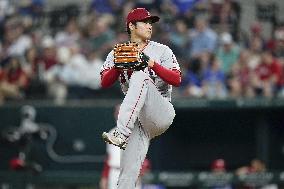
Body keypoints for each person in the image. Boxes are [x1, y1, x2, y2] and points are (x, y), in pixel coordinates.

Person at [100, 7, 181, 189]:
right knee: (127, 175)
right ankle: (123, 133)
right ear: (131, 26)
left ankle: (121, 133)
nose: (149, 26)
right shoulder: (117, 53)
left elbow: (177, 79)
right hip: (138, 120)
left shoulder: (162, 50)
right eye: (145, 22)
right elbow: (104, 82)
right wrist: (117, 66)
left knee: (141, 75)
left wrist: (151, 63)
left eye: (150, 23)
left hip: (160, 111)